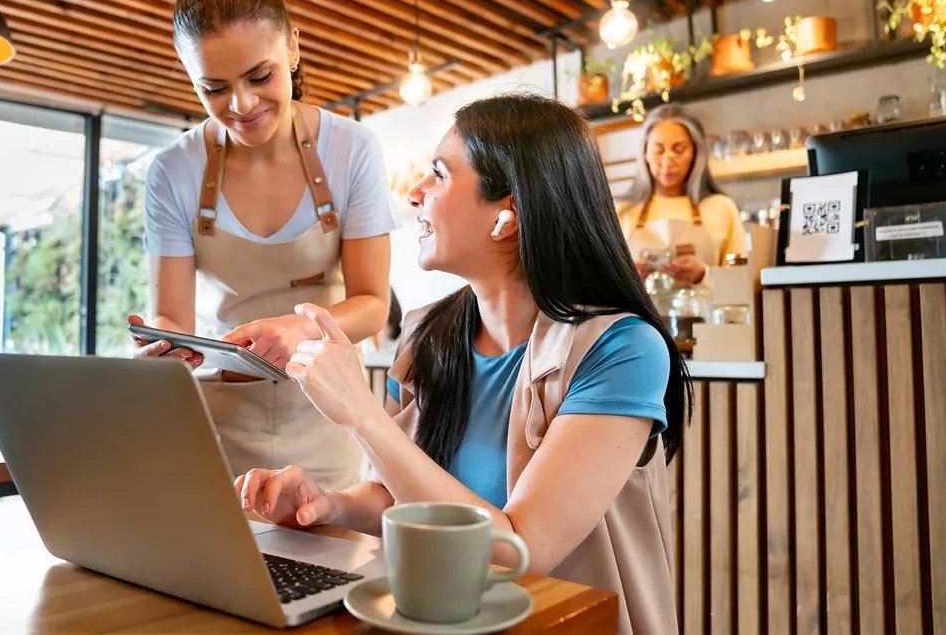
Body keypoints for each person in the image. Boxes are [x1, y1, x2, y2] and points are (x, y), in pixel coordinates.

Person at [235, 94, 690, 635]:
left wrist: (361, 414)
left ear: (507, 216)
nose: (414, 193)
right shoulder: (426, 335)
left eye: (439, 174)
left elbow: (519, 550)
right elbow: (396, 493)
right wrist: (329, 505)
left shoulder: (622, 349)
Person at [128, 0, 394, 490]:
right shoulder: (173, 171)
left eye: (260, 77)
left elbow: (372, 304)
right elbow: (173, 314)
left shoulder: (352, 150)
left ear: (292, 48)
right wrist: (163, 344)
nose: (241, 105)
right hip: (217, 415)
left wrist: (301, 328)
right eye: (214, 89)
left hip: (328, 409)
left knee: (330, 538)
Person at [619, 104, 748, 286]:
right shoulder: (622, 213)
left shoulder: (721, 207)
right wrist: (630, 280)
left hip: (707, 306)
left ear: (696, 152)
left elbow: (741, 281)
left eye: (679, 149)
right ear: (645, 153)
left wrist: (703, 275)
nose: (667, 161)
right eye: (658, 150)